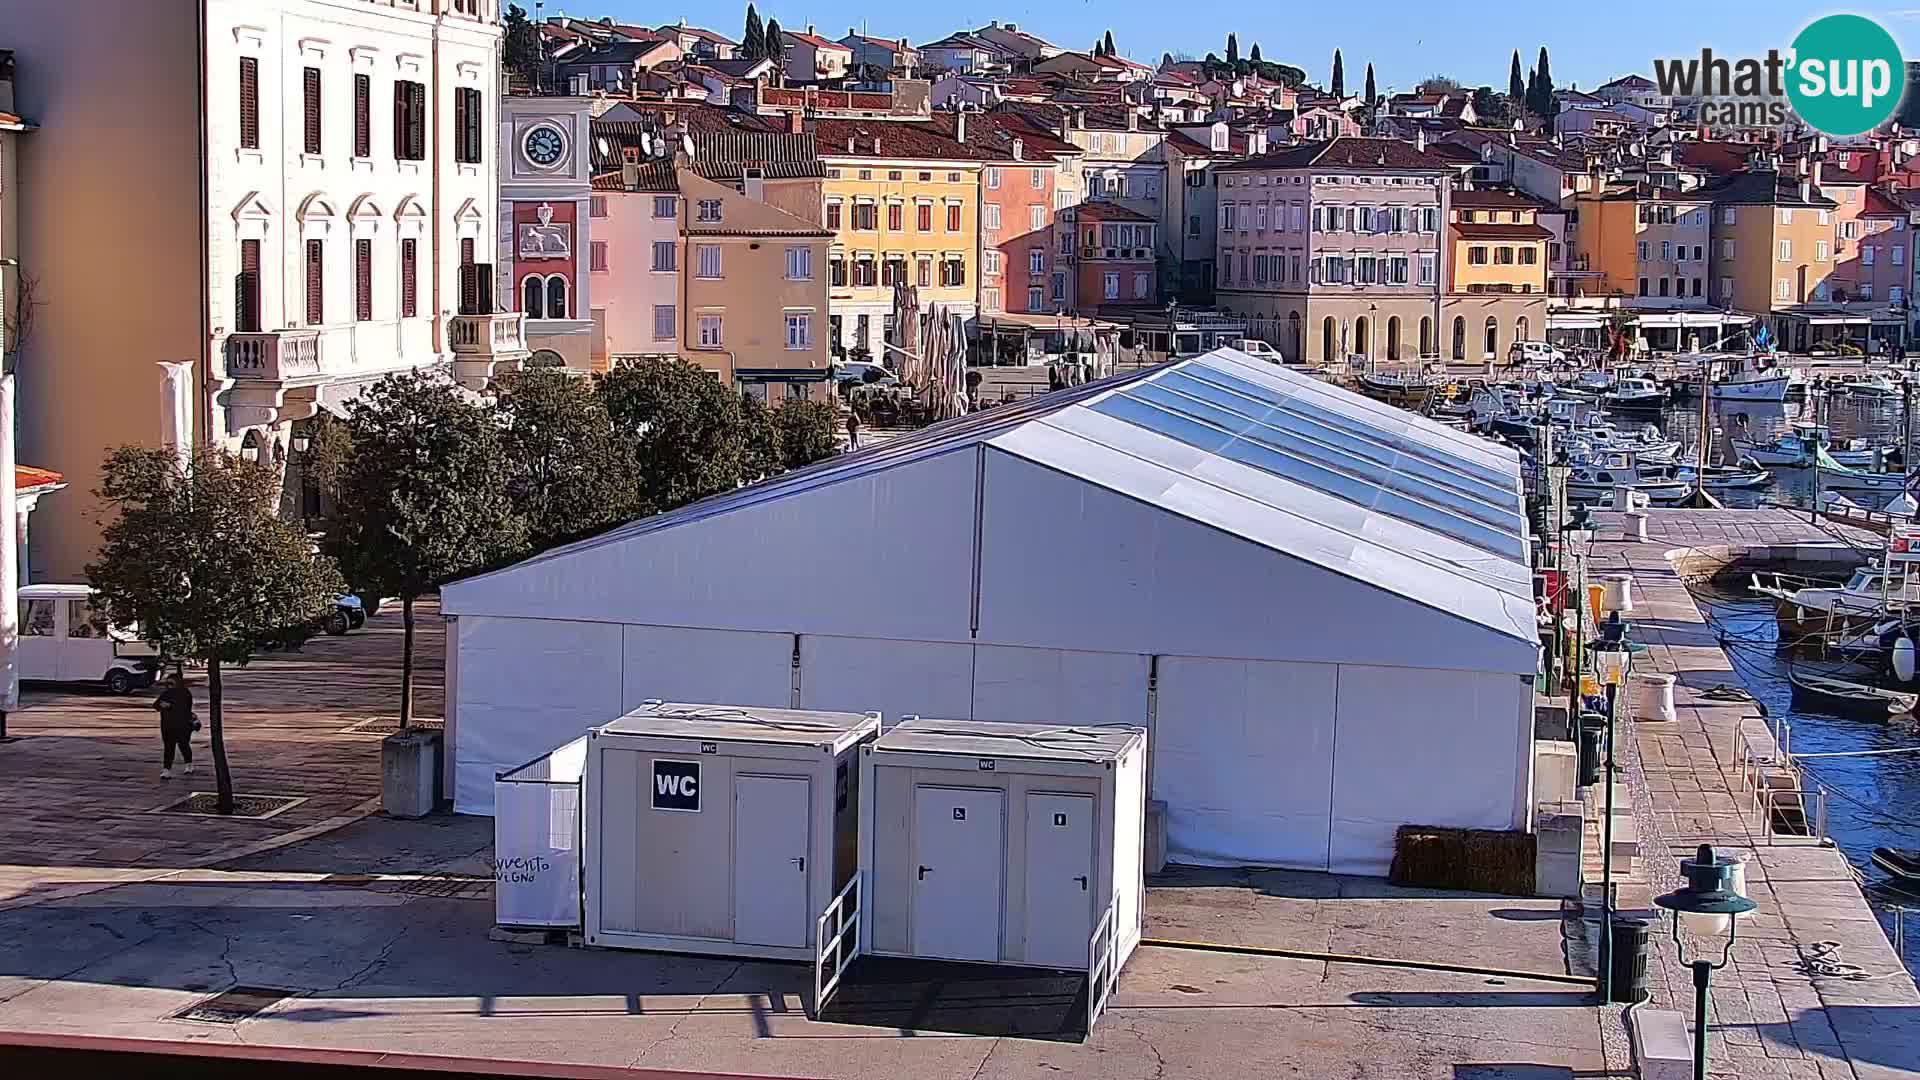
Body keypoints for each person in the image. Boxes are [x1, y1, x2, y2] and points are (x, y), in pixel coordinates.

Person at [153, 673, 195, 779]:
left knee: (183, 745)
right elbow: (156, 705)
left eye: (171, 683)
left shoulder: (185, 693)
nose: (168, 686)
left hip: (182, 724)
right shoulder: (166, 693)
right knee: (169, 748)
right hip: (167, 725)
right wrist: (161, 705)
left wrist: (170, 706)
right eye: (167, 683)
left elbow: (185, 708)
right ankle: (166, 769)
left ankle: (188, 764)